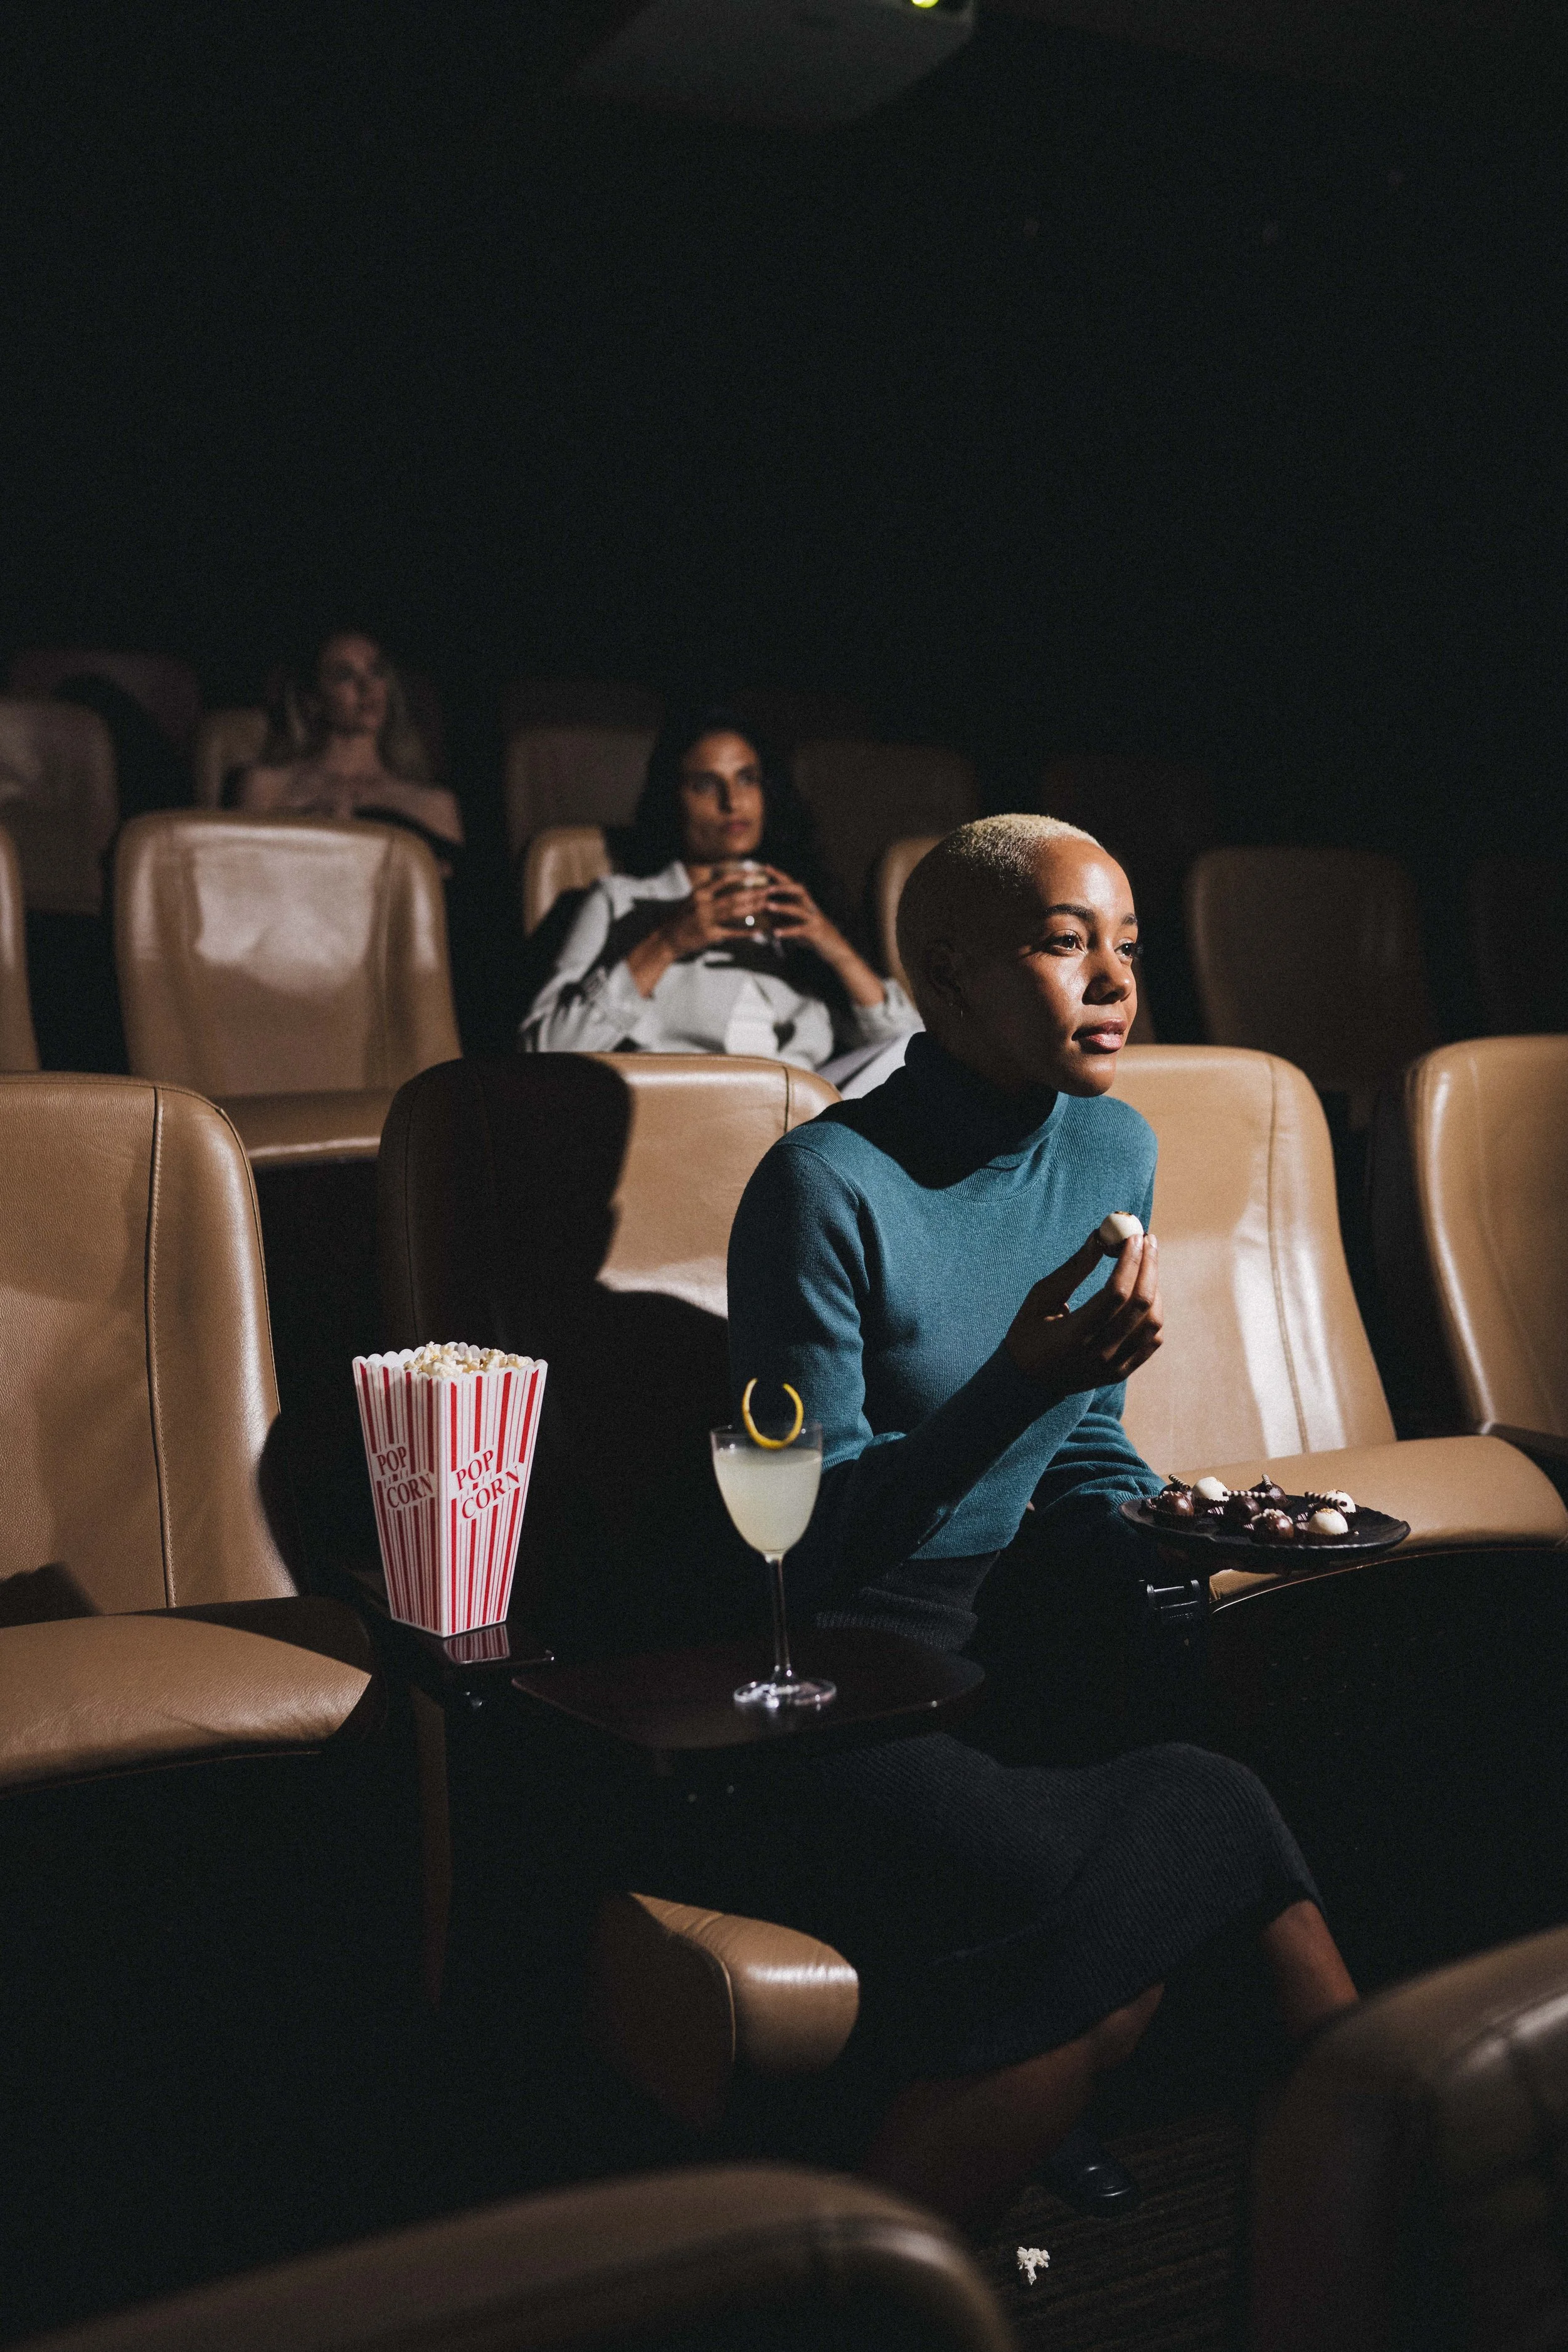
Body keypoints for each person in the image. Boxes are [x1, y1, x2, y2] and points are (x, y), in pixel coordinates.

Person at [697, 813, 1357, 2229]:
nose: (1116, 978)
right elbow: (796, 1550)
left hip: (1016, 1661)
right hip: (839, 1692)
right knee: (1206, 1841)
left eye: (1124, 943)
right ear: (945, 975)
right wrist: (1014, 1381)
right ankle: (1432, 2226)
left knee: (1154, 1915)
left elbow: (1084, 1447)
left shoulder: (1114, 1145)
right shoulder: (821, 1190)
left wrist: (1168, 1523)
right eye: (1066, 943)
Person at [518, 706, 919, 1096]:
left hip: (802, 1108)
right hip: (692, 1109)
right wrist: (667, 943)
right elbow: (545, 1050)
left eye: (748, 779)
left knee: (916, 1056)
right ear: (672, 798)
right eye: (706, 785)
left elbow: (903, 1045)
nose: (732, 801)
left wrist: (834, 948)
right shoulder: (622, 900)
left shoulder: (794, 904)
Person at [233, 630, 464, 874]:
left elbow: (448, 901)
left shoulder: (434, 803)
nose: (367, 687)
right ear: (314, 701)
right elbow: (242, 880)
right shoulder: (266, 787)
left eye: (376, 672)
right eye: (345, 676)